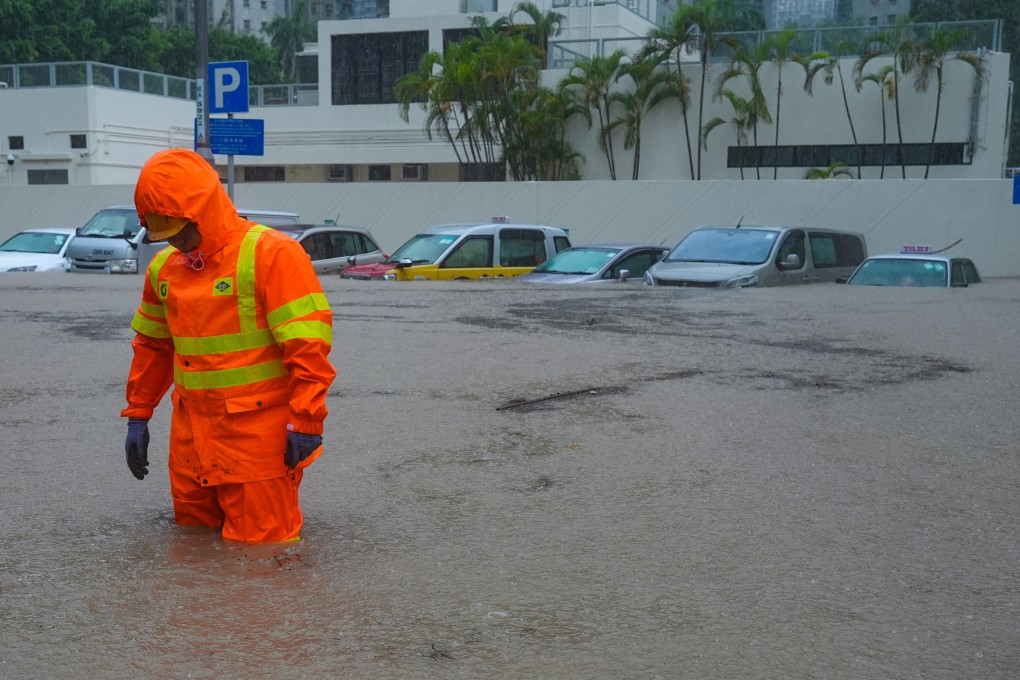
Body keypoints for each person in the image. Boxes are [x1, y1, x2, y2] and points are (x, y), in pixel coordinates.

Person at [121, 148, 335, 543]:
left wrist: (306, 420)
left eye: (181, 230)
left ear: (203, 209)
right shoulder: (162, 269)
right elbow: (152, 347)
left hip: (257, 446)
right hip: (189, 445)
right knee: (193, 552)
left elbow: (308, 348)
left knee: (263, 564)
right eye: (164, 233)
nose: (177, 242)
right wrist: (138, 414)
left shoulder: (272, 254)